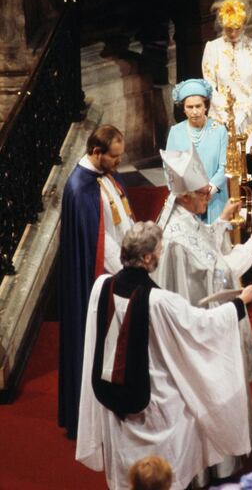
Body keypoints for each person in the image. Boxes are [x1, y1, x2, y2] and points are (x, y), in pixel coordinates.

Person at [76, 222, 252, 490]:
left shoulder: (103, 285)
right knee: (187, 414)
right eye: (159, 251)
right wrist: (240, 303)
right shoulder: (159, 300)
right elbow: (202, 326)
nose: (161, 256)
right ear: (148, 257)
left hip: (114, 393)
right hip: (152, 402)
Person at [152, 148, 252, 483]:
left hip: (202, 322)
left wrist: (221, 223)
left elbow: (203, 246)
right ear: (187, 195)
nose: (210, 196)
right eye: (206, 193)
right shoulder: (175, 240)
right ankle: (213, 465)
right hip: (201, 330)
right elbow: (217, 274)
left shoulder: (180, 216)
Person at [58, 124, 135, 440]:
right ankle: (88, 418)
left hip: (118, 269)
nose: (119, 163)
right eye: (115, 158)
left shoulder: (103, 178)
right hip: (100, 281)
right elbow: (98, 245)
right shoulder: (80, 188)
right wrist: (130, 271)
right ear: (96, 152)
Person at [202, 0, 252, 141]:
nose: (233, 33)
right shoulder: (212, 47)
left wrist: (243, 112)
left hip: (249, 116)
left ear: (244, 24)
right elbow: (209, 85)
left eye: (237, 28)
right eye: (228, 28)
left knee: (250, 159)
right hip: (220, 115)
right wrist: (227, 115)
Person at [166, 78, 228, 223]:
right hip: (186, 200)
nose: (194, 111)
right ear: (184, 108)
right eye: (190, 107)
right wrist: (188, 195)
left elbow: (224, 167)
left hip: (214, 198)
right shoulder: (176, 132)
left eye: (198, 106)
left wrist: (208, 191)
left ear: (205, 106)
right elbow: (169, 167)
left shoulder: (219, 130)